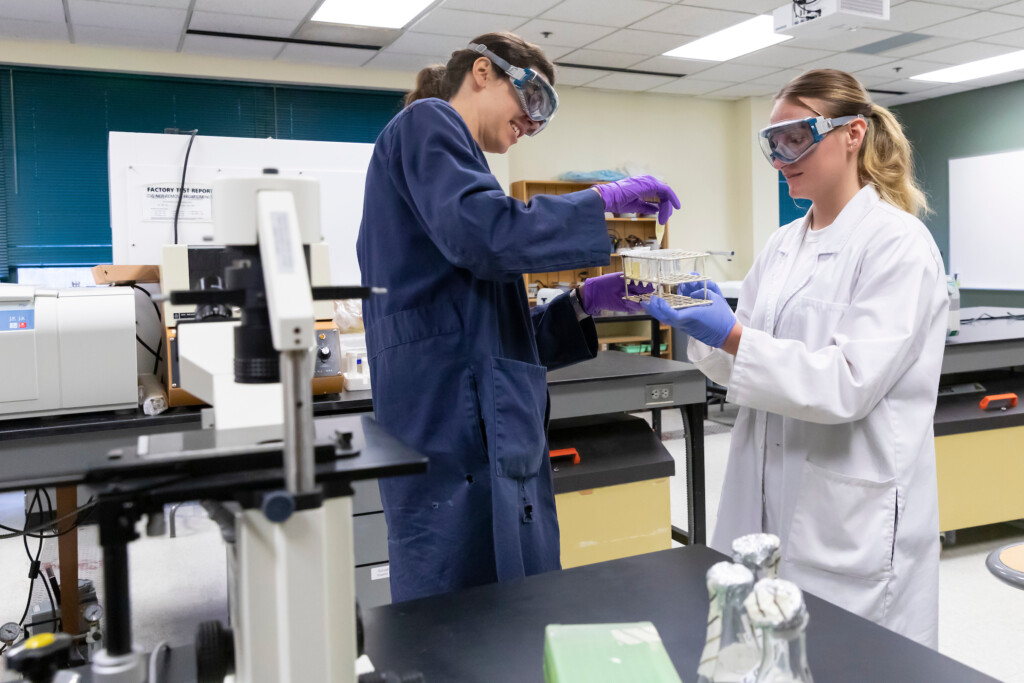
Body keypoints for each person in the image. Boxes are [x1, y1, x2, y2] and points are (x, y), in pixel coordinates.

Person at [356, 32, 680, 603]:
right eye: (533, 102)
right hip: (449, 424)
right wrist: (600, 201)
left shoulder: (464, 176)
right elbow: (486, 236)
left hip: (484, 418)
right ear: (483, 71)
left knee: (515, 605)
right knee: (459, 609)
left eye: (544, 117)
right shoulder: (427, 123)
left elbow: (495, 336)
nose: (533, 124)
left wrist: (583, 305)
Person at [645, 69, 947, 647]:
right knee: (761, 650)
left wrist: (735, 336)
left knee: (851, 658)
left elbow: (847, 384)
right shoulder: (784, 243)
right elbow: (751, 370)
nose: (781, 157)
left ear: (853, 133)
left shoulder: (898, 243)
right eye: (772, 143)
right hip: (764, 499)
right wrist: (708, 328)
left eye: (795, 137)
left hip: (848, 515)